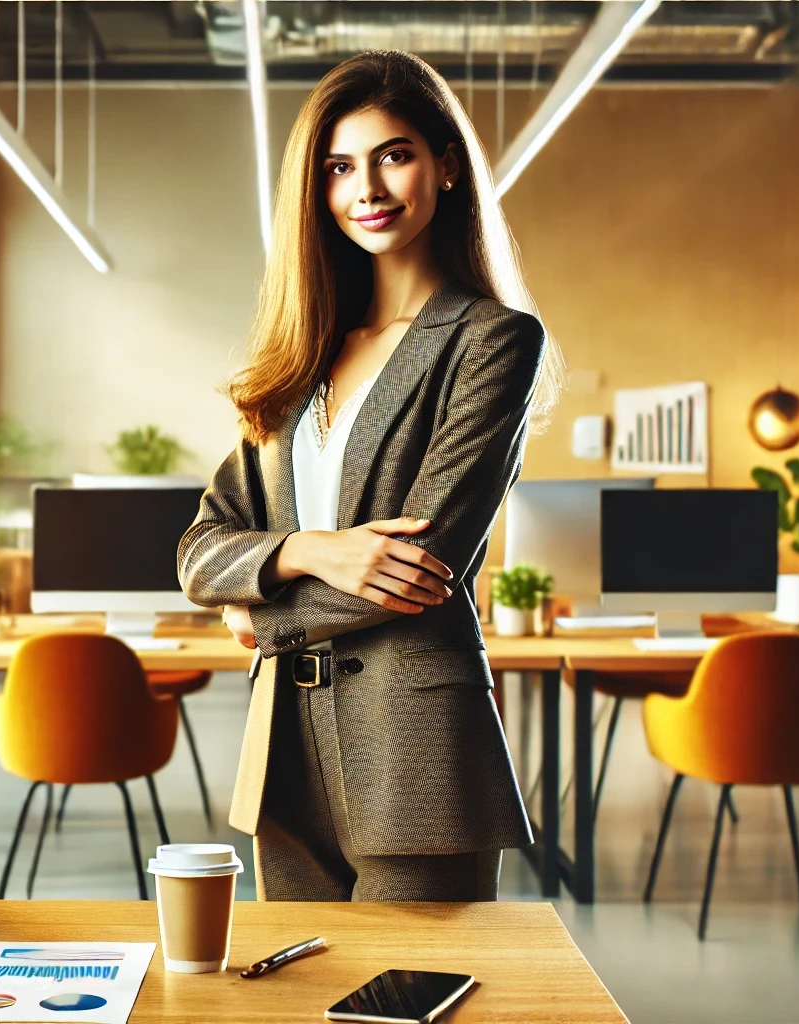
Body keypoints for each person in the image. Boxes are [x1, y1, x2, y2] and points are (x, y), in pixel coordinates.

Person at [177, 50, 563, 902]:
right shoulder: (298, 358)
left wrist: (256, 616)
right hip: (282, 751)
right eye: (340, 168)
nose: (369, 189)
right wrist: (310, 551)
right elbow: (200, 549)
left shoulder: (491, 340)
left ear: (447, 166)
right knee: (299, 991)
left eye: (395, 155)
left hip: (415, 741)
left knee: (403, 1000)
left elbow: (416, 570)